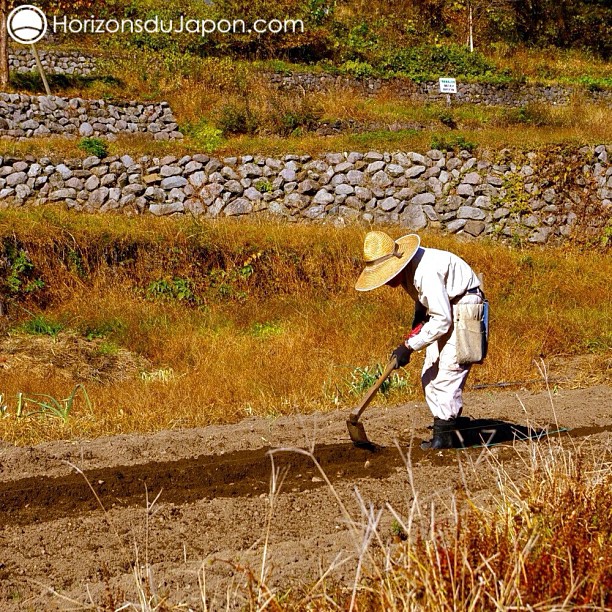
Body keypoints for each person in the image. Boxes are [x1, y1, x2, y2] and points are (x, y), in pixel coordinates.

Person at [355, 231, 487, 449]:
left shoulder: (426, 271)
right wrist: (418, 318)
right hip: (445, 308)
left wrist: (408, 347)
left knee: (449, 371)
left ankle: (445, 437)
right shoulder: (411, 269)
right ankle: (448, 425)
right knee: (429, 375)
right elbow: (426, 299)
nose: (386, 283)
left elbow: (442, 319)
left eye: (386, 277)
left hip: (465, 305)